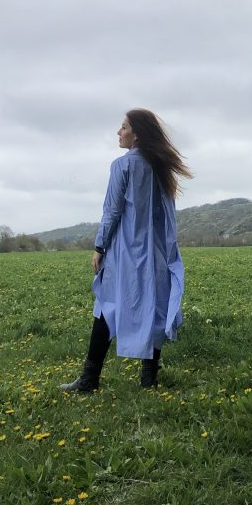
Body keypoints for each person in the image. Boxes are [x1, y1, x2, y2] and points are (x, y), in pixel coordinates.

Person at [61, 109, 191, 393]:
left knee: (107, 307)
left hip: (125, 251)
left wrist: (99, 246)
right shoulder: (160, 167)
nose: (118, 132)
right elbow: (166, 215)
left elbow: (112, 211)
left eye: (123, 127)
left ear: (137, 135)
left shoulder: (123, 166)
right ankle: (148, 380)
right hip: (155, 252)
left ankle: (89, 379)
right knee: (153, 307)